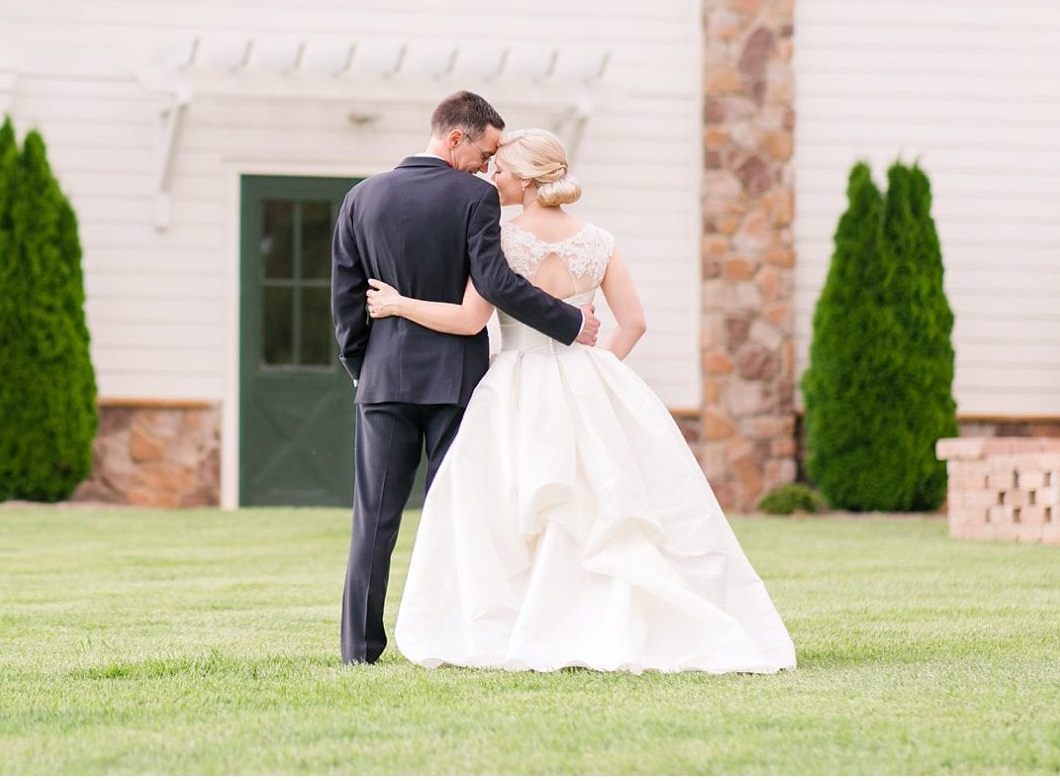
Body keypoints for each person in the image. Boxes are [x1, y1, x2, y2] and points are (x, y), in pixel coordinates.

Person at [373, 128, 796, 674]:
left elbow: (468, 319)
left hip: (515, 383)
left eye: (499, 168)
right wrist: (594, 377)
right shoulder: (598, 239)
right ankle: (605, 623)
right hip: (589, 378)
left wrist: (397, 304)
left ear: (524, 178)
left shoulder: (498, 238)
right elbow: (634, 322)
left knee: (516, 505)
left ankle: (526, 625)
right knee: (599, 504)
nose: (491, 177)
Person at [330, 93, 600, 666]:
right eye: (485, 150)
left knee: (372, 520)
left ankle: (359, 649)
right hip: (456, 381)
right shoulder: (474, 197)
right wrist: (571, 321)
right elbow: (496, 281)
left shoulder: (360, 197)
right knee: (455, 515)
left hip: (383, 383)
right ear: (455, 138)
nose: (488, 164)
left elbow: (347, 305)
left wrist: (365, 370)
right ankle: (451, 633)